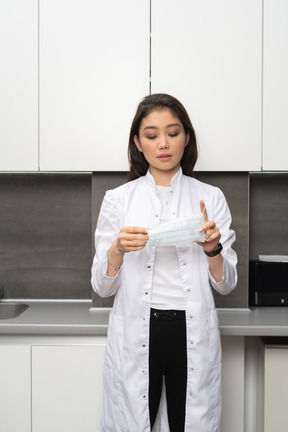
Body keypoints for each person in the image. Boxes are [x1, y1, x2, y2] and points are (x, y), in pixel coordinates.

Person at [91, 93, 237, 432]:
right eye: (151, 135)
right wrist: (117, 251)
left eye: (173, 133)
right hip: (138, 327)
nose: (163, 144)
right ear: (138, 143)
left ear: (186, 137)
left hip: (191, 329)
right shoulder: (118, 200)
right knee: (132, 421)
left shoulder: (210, 197)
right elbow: (101, 285)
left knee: (191, 423)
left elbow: (227, 284)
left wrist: (213, 248)